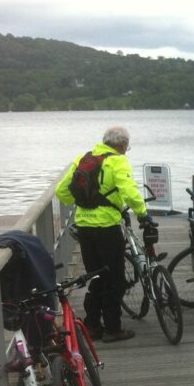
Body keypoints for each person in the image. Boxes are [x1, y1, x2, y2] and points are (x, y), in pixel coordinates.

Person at [54, 126, 150, 342]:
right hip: (107, 227)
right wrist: (143, 214)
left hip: (84, 226)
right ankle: (113, 328)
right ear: (122, 145)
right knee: (114, 278)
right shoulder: (117, 161)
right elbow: (129, 191)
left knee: (95, 275)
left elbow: (61, 191)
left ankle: (93, 325)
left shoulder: (84, 158)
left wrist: (81, 202)